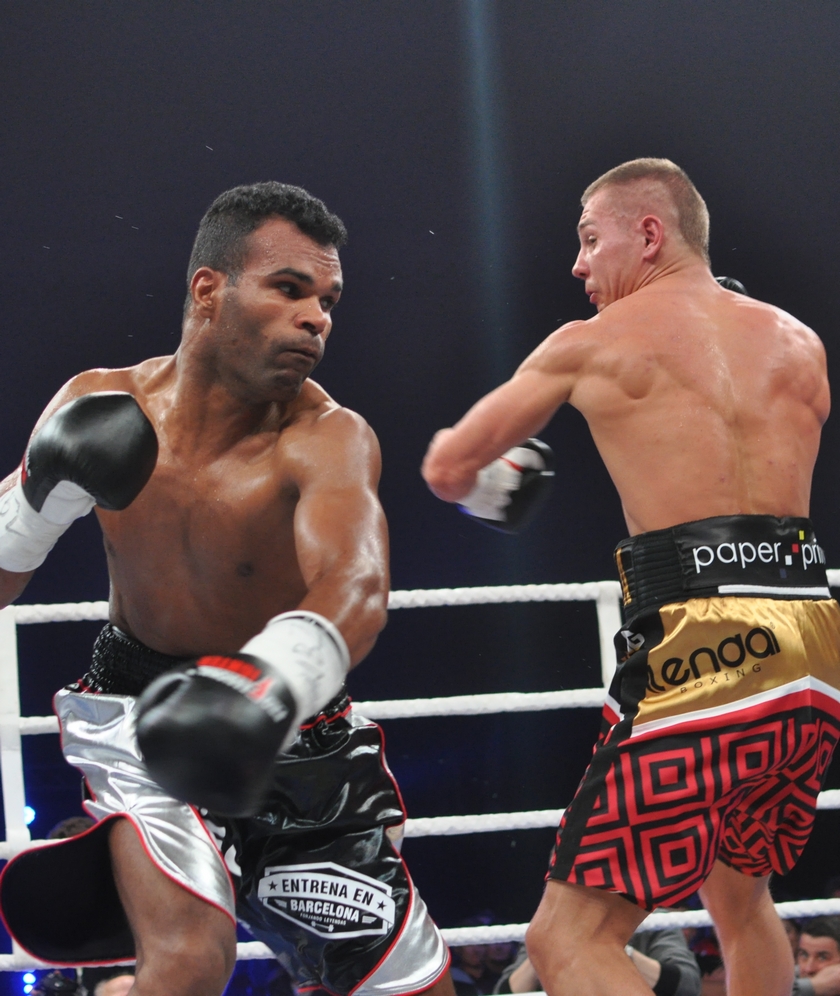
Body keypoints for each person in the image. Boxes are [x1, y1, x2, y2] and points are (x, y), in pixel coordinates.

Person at [0, 182, 452, 996]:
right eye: (290, 288)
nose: (316, 318)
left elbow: (355, 585)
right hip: (139, 719)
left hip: (296, 735)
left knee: (411, 989)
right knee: (187, 959)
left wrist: (262, 686)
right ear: (209, 289)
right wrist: (31, 503)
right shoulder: (100, 404)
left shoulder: (327, 437)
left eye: (327, 300)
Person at [421, 158, 840, 996]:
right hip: (814, 646)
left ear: (650, 234)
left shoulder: (591, 341)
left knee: (564, 941)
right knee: (740, 895)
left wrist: (498, 486)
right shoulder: (799, 342)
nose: (577, 264)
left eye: (589, 239)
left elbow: (447, 466)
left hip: (702, 648)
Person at [494, 930, 701, 996]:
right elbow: (503, 993)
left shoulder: (653, 923)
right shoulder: (545, 929)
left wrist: (610, 949)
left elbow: (688, 986)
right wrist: (545, 946)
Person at [793, 917, 840, 995]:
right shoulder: (788, 977)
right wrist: (813, 986)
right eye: (804, 955)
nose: (808, 969)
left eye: (822, 958)